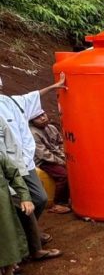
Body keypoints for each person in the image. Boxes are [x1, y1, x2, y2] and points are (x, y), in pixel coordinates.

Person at [0, 73, 66, 220]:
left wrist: (55, 86)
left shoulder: (12, 102)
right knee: (13, 202)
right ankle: (28, 234)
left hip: (25, 163)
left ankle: (29, 228)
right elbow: (43, 154)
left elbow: (32, 96)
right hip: (5, 166)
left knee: (39, 198)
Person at [0, 152, 32, 275]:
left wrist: (25, 197)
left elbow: (13, 174)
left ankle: (9, 274)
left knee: (10, 236)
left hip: (3, 206)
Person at [29, 109, 71, 213]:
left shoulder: (51, 128)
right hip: (43, 161)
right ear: (32, 121)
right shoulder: (32, 133)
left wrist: (64, 155)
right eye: (37, 117)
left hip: (59, 156)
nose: (43, 118)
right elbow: (44, 154)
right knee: (63, 175)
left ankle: (72, 197)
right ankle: (58, 203)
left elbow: (61, 142)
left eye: (43, 114)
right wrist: (62, 162)